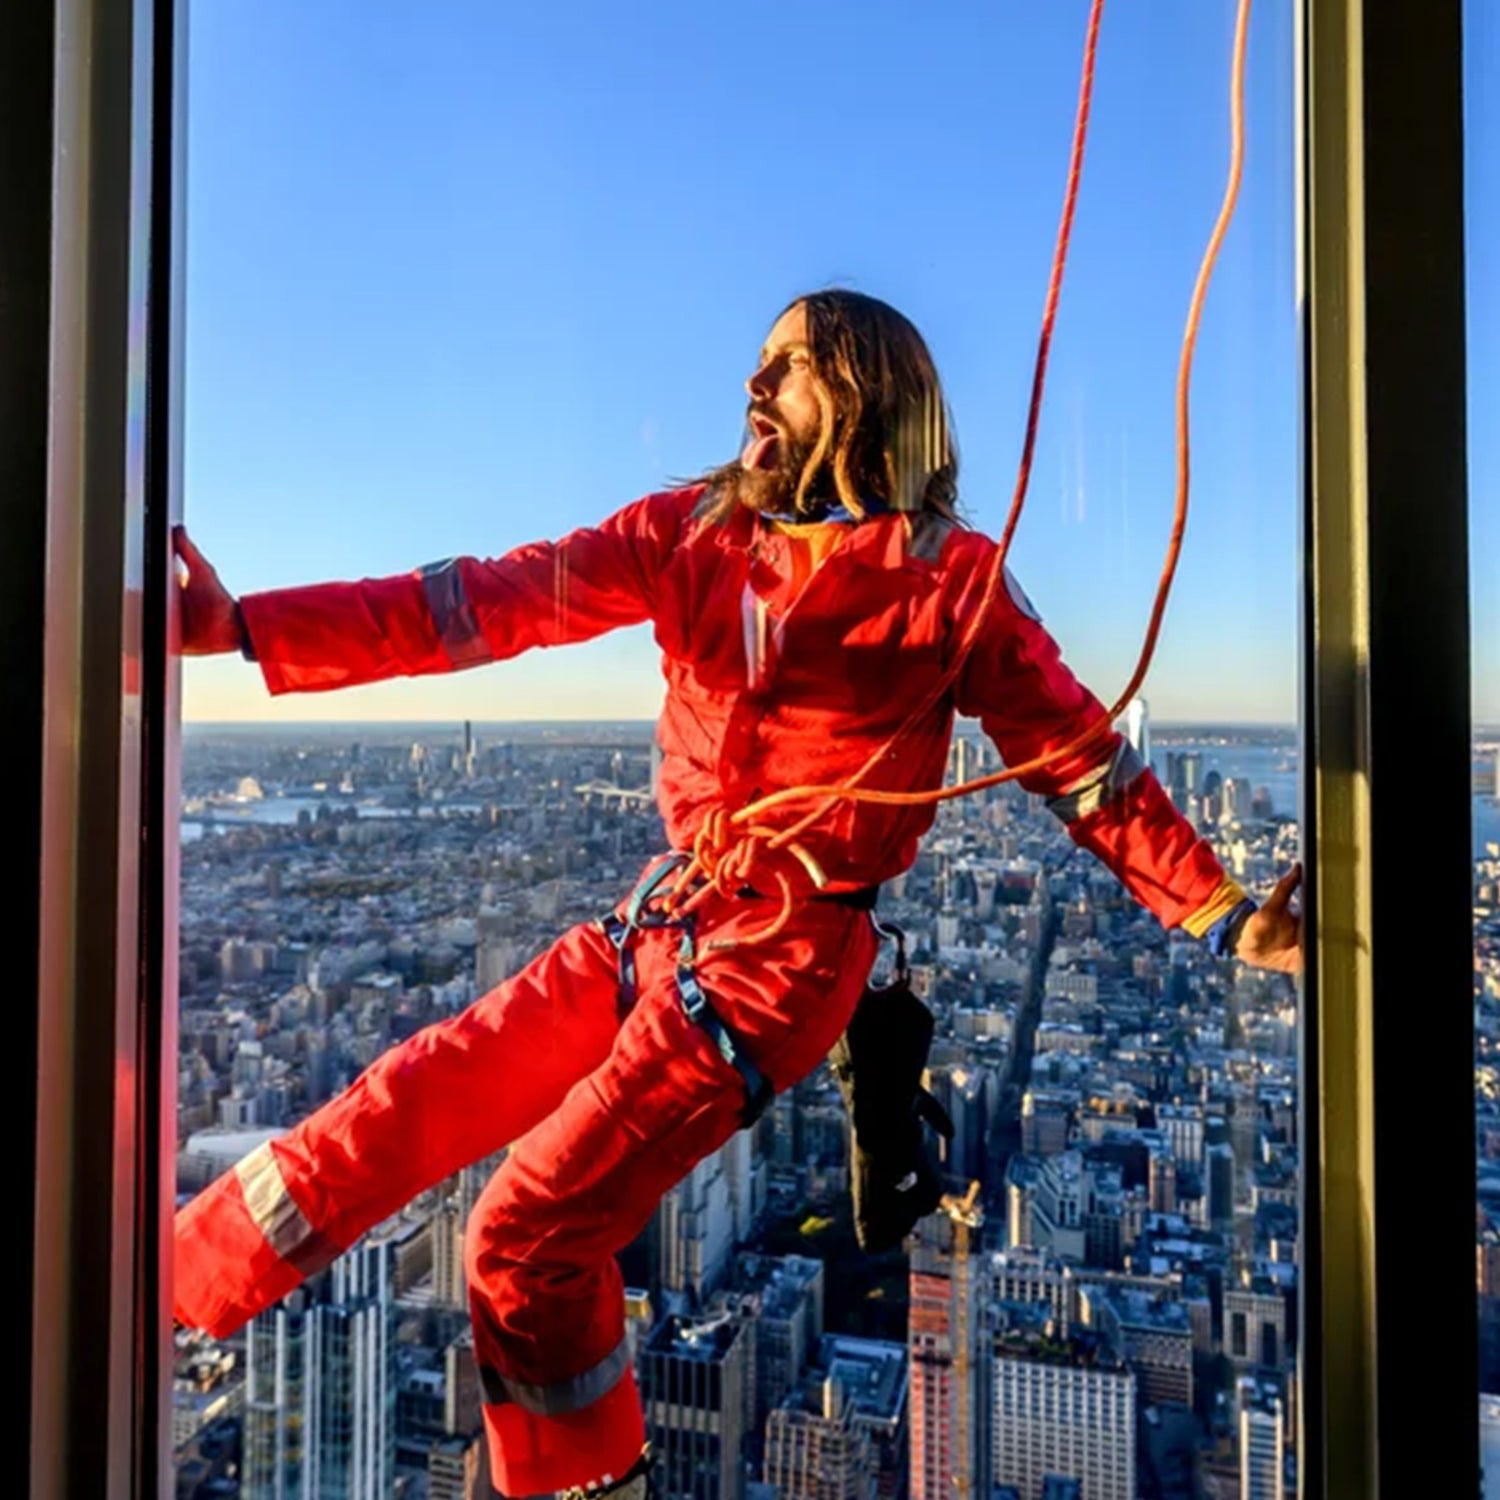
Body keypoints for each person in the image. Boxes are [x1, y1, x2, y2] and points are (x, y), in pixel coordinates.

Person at [173, 289, 1301, 1497]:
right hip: (668, 916)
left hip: (784, 962)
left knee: (522, 1235)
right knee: (406, 1100)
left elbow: (1083, 764)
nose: (756, 388)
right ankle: (171, 1289)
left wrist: (1222, 911)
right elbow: (482, 604)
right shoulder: (695, 532)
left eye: (793, 367)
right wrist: (244, 629)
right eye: (759, 365)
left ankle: (583, 1486)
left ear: (867, 395)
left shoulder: (949, 585)